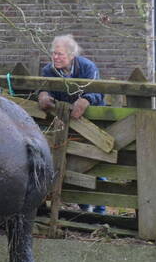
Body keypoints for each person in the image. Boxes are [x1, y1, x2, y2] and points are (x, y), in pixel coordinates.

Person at [37, 34, 106, 213]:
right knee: (71, 164)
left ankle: (100, 210)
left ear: (71, 55)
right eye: (53, 53)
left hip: (91, 124)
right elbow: (45, 89)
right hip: (63, 124)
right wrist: (44, 96)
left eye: (60, 54)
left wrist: (86, 100)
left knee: (95, 163)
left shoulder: (87, 68)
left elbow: (99, 92)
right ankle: (85, 209)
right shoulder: (48, 71)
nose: (55, 57)